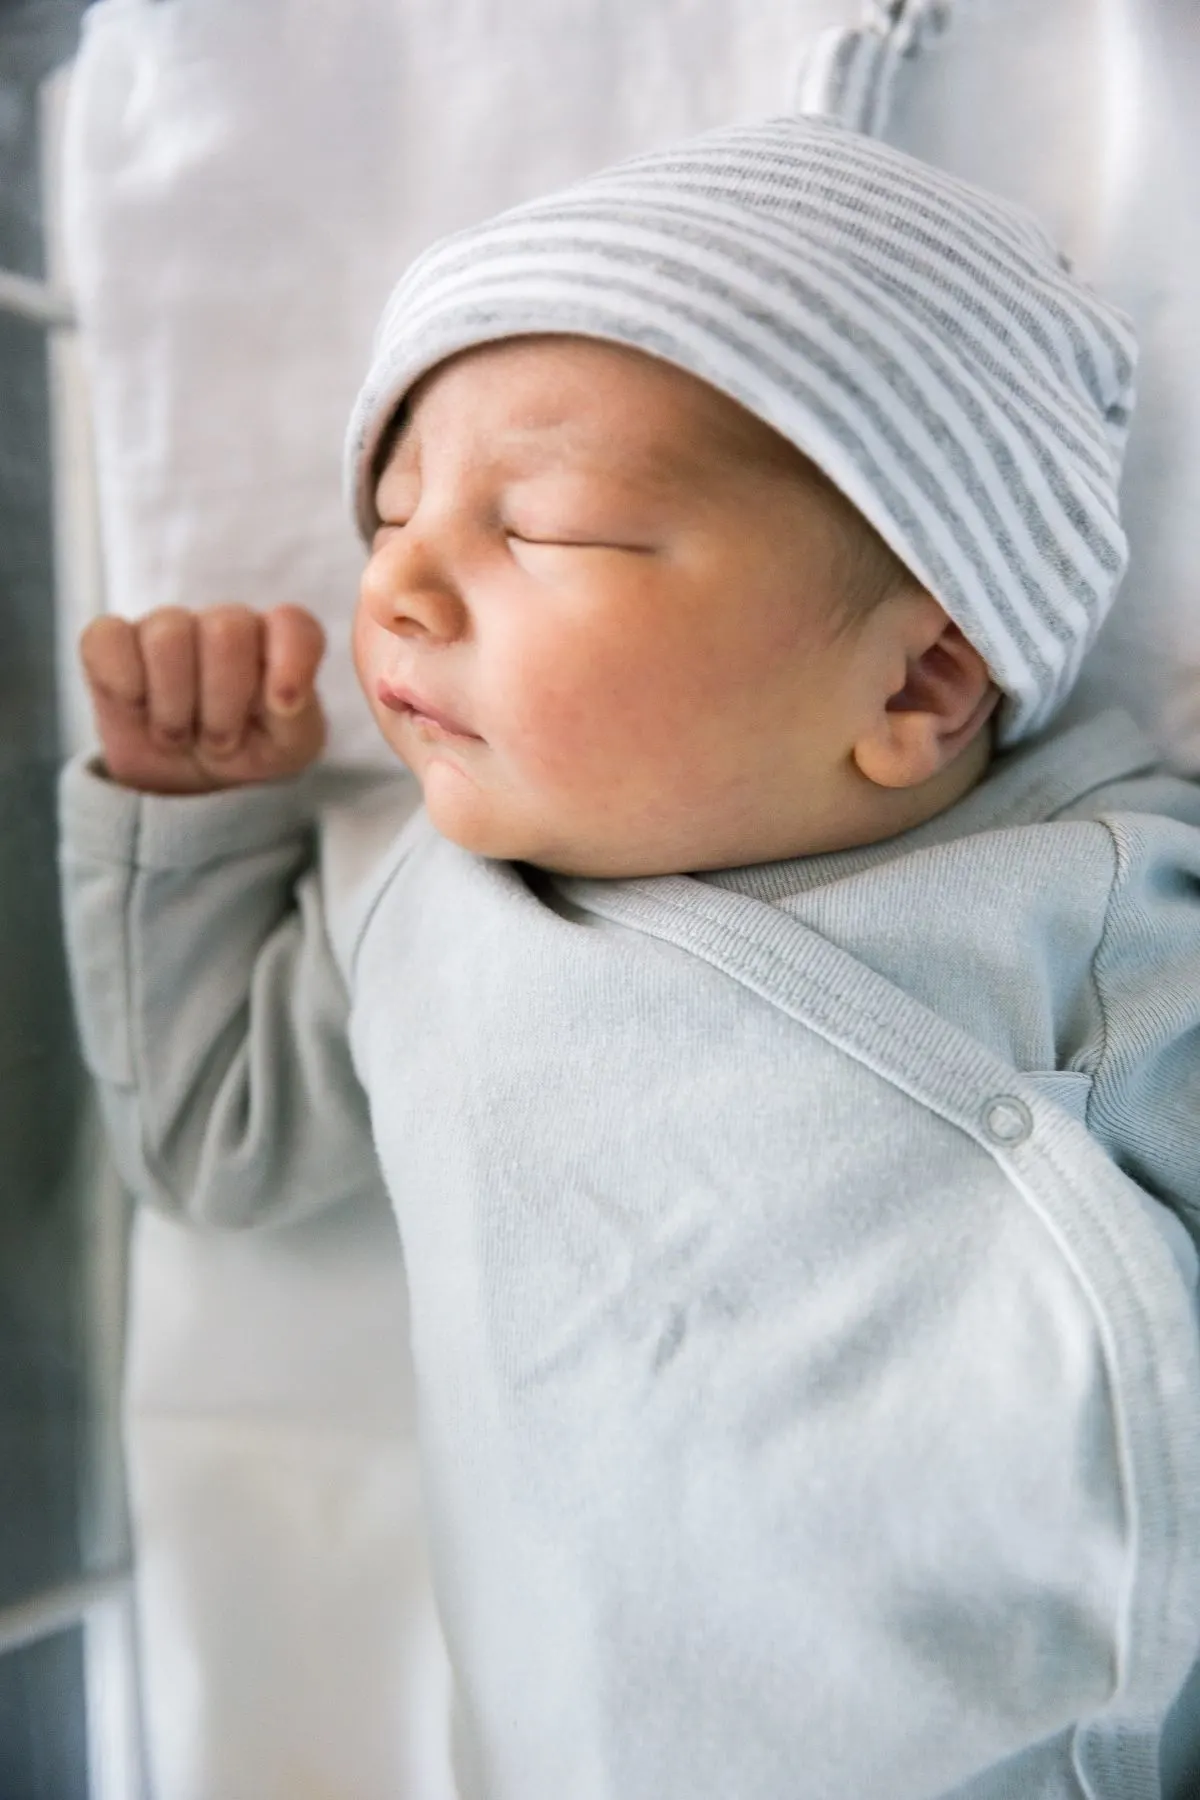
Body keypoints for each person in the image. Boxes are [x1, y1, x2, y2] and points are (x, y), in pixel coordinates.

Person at [59, 115, 1200, 1799]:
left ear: (918, 689)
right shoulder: (412, 897)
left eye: (549, 530)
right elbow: (210, 1135)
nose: (399, 593)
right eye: (388, 517)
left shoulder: (1086, 882)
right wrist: (204, 826)